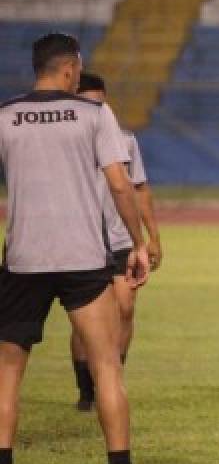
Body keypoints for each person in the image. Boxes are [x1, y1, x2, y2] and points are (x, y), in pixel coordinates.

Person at [0, 33, 153, 464]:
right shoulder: (93, 114)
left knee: (7, 373)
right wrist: (138, 244)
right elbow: (121, 186)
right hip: (84, 258)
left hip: (23, 259)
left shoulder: (5, 117)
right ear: (71, 69)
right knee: (107, 367)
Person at [69, 72, 164, 412]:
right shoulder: (65, 143)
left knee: (124, 309)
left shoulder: (124, 140)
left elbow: (138, 188)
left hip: (122, 238)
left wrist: (153, 236)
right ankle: (87, 389)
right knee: (87, 321)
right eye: (87, 103)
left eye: (100, 103)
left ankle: (112, 379)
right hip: (82, 240)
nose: (95, 110)